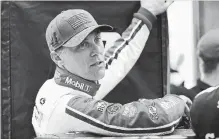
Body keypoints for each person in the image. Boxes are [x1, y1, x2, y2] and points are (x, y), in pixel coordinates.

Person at [32, 0, 191, 137]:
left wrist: (147, 13)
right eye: (82, 45)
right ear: (58, 58)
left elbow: (119, 58)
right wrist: (178, 102)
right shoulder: (68, 105)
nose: (97, 50)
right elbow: (144, 119)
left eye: (97, 39)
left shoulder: (61, 85)